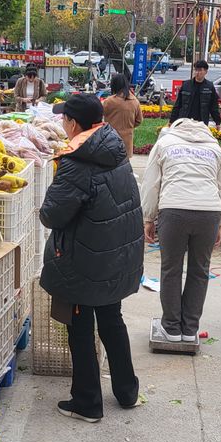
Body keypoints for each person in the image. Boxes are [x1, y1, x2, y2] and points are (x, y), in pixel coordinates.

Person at [40, 94, 143, 422]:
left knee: (81, 328)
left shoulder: (78, 161)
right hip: (114, 256)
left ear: (73, 123)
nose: (62, 124)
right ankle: (127, 392)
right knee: (112, 321)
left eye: (63, 119)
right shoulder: (114, 150)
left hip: (86, 260)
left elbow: (52, 214)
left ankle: (87, 402)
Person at [140, 118, 221, 342]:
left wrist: (148, 218)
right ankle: (190, 330)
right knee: (200, 270)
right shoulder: (214, 148)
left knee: (171, 269)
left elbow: (151, 184)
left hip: (173, 210)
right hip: (208, 212)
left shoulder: (165, 144)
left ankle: (171, 328)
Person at [102, 73, 143, 159]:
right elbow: (139, 120)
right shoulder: (135, 101)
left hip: (110, 139)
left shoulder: (109, 101)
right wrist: (129, 126)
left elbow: (98, 115)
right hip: (127, 141)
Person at [168, 60, 221, 126]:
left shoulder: (210, 87)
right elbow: (177, 105)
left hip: (201, 122)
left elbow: (214, 107)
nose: (197, 72)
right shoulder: (186, 85)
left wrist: (218, 123)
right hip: (184, 120)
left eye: (200, 70)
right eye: (196, 70)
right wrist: (171, 121)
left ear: (205, 72)